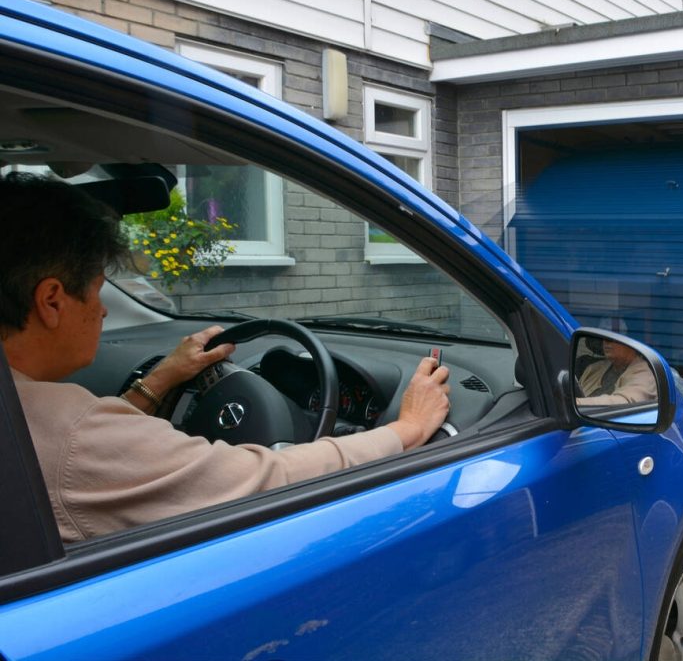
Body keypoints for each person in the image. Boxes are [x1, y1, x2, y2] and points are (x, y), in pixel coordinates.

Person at [0, 172, 450, 542]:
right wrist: (406, 429)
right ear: (52, 301)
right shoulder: (69, 436)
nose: (101, 310)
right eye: (98, 291)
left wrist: (163, 378)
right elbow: (273, 479)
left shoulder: (34, 421)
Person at [576, 337, 657, 406]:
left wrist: (577, 403)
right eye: (604, 336)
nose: (606, 341)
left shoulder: (645, 374)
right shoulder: (594, 368)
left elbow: (625, 403)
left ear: (632, 342)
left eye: (615, 337)